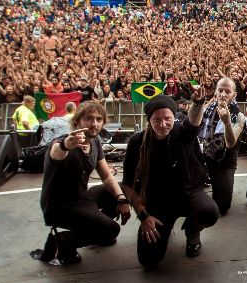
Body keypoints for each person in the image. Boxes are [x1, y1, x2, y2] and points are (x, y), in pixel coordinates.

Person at [122, 92, 219, 268]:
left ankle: (192, 232)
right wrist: (143, 216)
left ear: (174, 117)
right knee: (148, 260)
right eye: (156, 119)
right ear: (149, 120)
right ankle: (165, 229)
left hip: (188, 193)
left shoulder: (181, 132)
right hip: (157, 202)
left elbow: (194, 123)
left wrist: (197, 103)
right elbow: (128, 184)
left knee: (209, 211)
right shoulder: (137, 142)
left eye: (167, 118)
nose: (162, 124)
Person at [38, 101, 129, 265]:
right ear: (77, 121)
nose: (94, 124)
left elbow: (107, 177)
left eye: (99, 119)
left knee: (119, 190)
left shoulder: (94, 142)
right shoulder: (64, 142)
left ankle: (96, 231)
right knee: (112, 230)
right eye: (88, 119)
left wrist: (122, 199)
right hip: (60, 206)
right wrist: (66, 145)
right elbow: (56, 152)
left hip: (80, 198)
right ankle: (64, 241)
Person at [196, 77, 245, 216]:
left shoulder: (239, 116)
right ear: (215, 92)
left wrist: (227, 123)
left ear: (234, 95)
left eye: (227, 91)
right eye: (220, 90)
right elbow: (192, 125)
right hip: (209, 156)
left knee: (223, 207)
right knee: (216, 188)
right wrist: (197, 105)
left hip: (227, 161)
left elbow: (230, 142)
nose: (223, 94)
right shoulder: (207, 110)